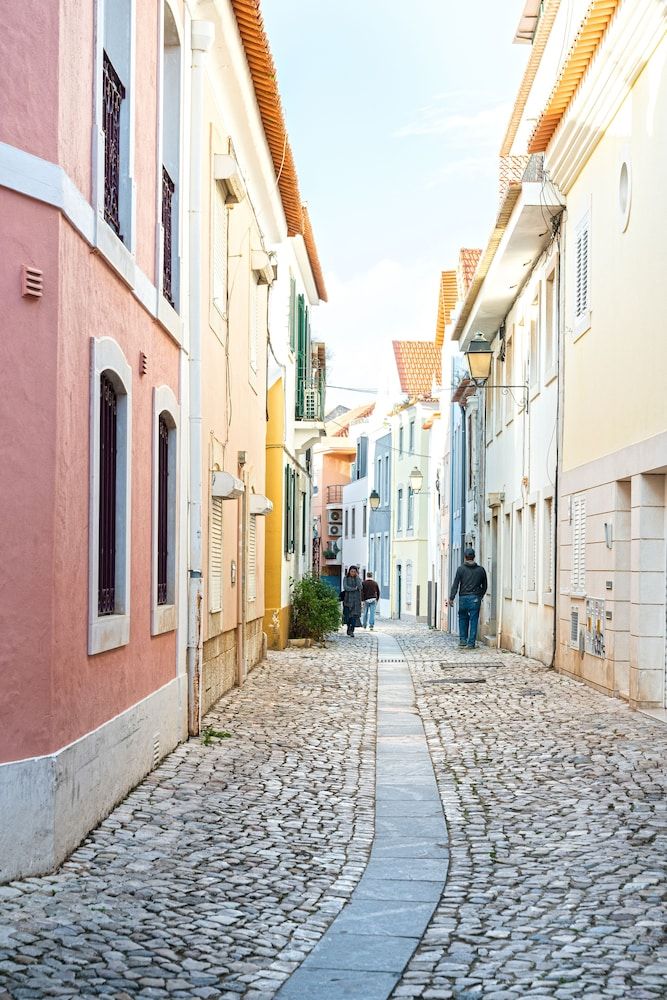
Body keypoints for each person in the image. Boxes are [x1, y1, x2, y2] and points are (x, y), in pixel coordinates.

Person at [447, 547, 487, 649]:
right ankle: (471, 643)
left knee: (462, 618)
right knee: (474, 620)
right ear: (474, 557)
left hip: (463, 598)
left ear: (465, 557)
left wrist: (451, 598)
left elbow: (455, 584)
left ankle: (463, 640)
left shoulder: (461, 569)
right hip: (475, 598)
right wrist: (480, 595)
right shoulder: (481, 570)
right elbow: (485, 586)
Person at [342, 566, 363, 637]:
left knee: (354, 616)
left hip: (356, 601)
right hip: (347, 600)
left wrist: (357, 577)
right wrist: (354, 588)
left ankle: (352, 630)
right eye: (352, 571)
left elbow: (360, 587)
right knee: (348, 616)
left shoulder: (358, 579)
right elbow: (345, 587)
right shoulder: (345, 578)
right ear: (349, 571)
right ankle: (348, 627)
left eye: (354, 572)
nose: (353, 573)